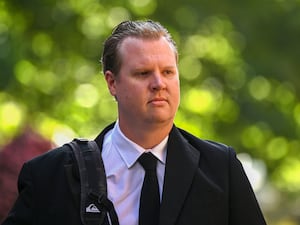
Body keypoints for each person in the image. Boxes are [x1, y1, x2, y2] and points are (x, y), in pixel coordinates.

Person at [2, 20, 267, 225]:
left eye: (167, 72)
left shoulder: (221, 168)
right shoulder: (51, 175)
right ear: (112, 82)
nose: (159, 83)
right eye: (143, 73)